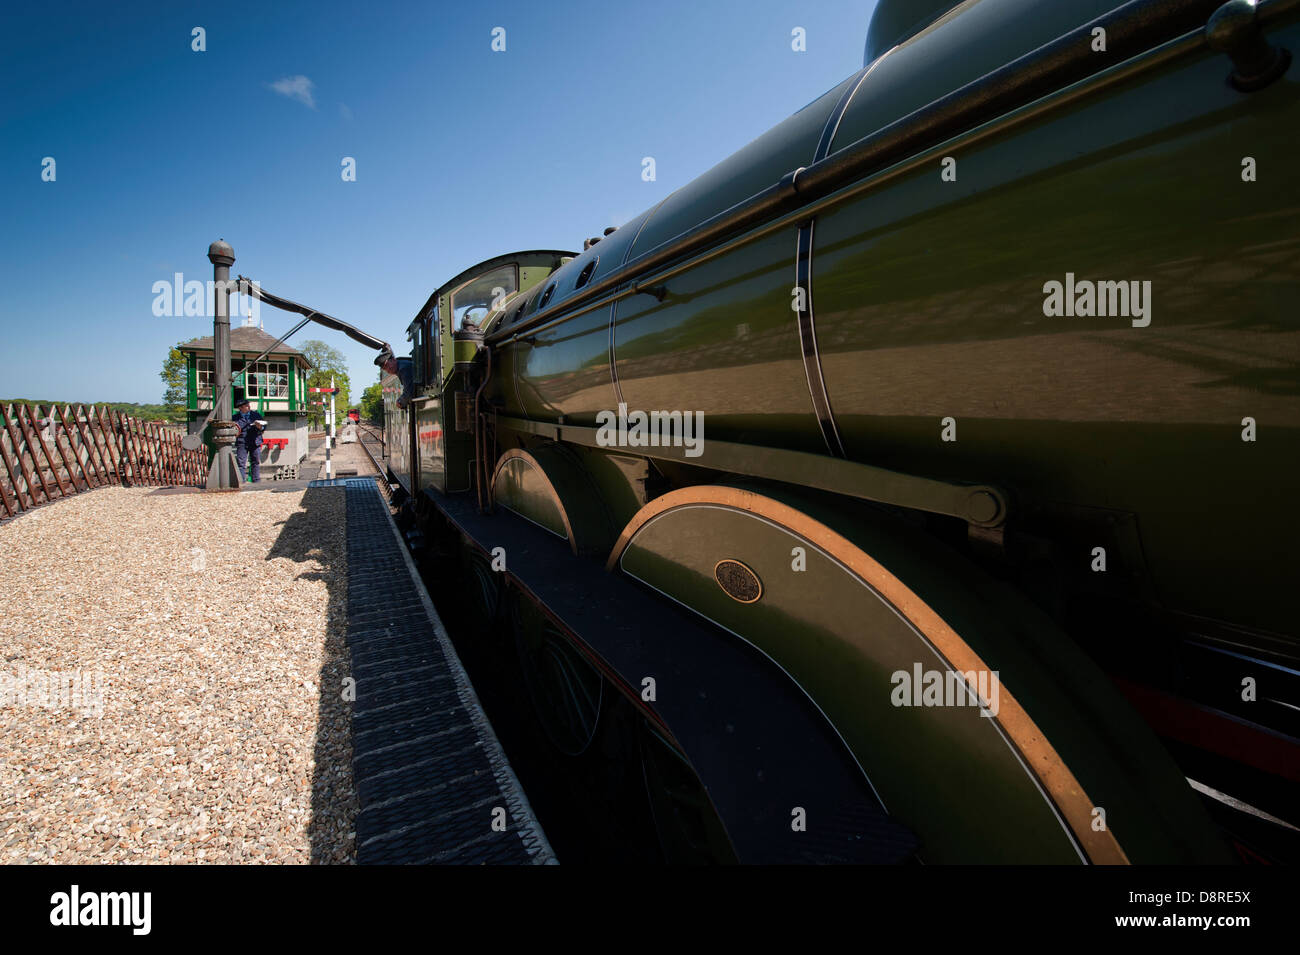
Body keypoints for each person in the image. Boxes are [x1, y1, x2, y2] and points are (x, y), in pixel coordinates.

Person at [233, 398, 267, 483]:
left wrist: (260, 427)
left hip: (255, 441)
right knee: (241, 463)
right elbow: (234, 429)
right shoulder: (235, 418)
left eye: (248, 405)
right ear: (240, 408)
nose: (248, 406)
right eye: (246, 405)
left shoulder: (256, 415)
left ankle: (256, 481)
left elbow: (264, 427)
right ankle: (241, 481)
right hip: (242, 442)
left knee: (255, 461)